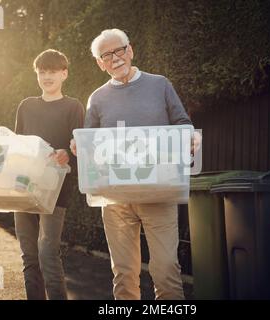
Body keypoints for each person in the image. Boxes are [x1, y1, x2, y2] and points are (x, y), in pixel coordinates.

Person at [70, 29, 201, 300]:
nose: (115, 57)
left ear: (130, 50)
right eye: (106, 55)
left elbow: (181, 122)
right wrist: (77, 146)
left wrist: (191, 134)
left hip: (159, 192)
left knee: (165, 269)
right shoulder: (97, 98)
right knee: (124, 273)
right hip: (115, 198)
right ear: (100, 63)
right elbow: (90, 142)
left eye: (119, 50)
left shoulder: (160, 84)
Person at [15, 49, 84, 300]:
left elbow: (80, 149)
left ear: (64, 74)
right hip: (23, 190)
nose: (47, 76)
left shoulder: (73, 106)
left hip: (55, 192)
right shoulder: (26, 106)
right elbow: (18, 150)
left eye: (53, 71)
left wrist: (68, 152)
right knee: (29, 256)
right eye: (42, 72)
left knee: (47, 253)